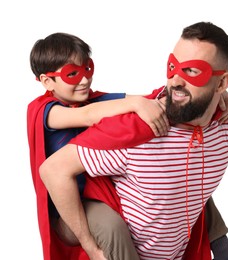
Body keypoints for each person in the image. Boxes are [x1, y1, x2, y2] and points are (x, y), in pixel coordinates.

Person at [39, 22, 228, 260]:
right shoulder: (134, 133)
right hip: (86, 212)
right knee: (110, 226)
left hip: (176, 246)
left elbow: (145, 97)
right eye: (173, 67)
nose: (175, 80)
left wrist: (218, 94)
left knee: (191, 174)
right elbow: (54, 168)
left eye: (193, 71)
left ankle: (226, 252)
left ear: (222, 82)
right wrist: (91, 246)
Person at [27, 32, 170, 260]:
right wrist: (133, 103)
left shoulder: (96, 100)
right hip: (72, 212)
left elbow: (154, 98)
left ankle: (224, 248)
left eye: (87, 69)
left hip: (109, 193)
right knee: (111, 225)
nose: (84, 80)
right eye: (72, 74)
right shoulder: (47, 111)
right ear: (47, 81)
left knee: (176, 174)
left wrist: (211, 94)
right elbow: (88, 116)